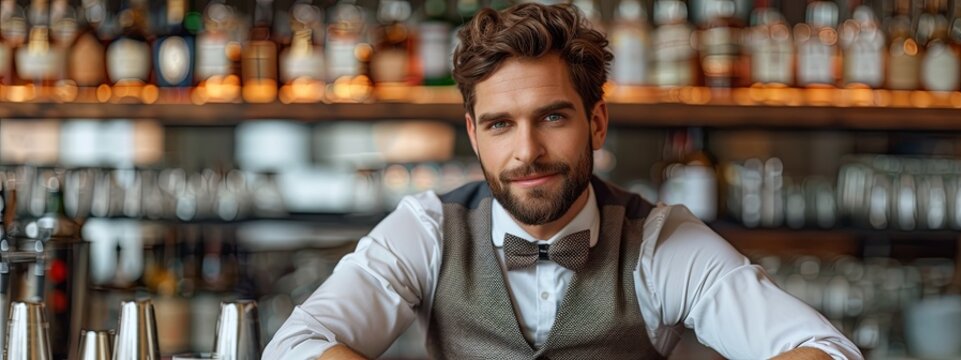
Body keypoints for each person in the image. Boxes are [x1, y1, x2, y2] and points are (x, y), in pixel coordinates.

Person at [264, 3, 862, 359]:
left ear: (595, 122)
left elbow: (831, 350)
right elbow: (295, 343)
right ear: (474, 136)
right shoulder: (427, 229)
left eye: (553, 116)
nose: (528, 151)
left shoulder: (660, 241)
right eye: (501, 125)